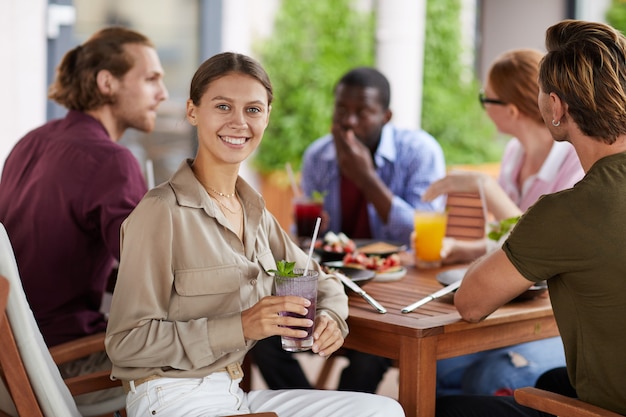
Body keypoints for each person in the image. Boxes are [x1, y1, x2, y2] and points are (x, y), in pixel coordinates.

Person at [104, 51, 404, 417]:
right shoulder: (161, 212)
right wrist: (240, 326)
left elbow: (323, 281)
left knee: (383, 410)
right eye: (223, 106)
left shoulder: (254, 212)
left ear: (266, 117)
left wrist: (331, 319)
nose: (239, 122)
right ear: (192, 111)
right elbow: (124, 343)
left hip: (232, 393)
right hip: (171, 398)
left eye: (252, 110)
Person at [436, 19, 626, 417]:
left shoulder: (568, 210)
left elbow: (470, 304)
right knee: (549, 382)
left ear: (555, 108)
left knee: (439, 407)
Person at [251, 66, 446, 393]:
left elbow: (420, 228)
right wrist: (312, 230)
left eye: (363, 112)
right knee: (265, 336)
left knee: (370, 356)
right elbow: (306, 238)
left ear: (386, 116)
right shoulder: (319, 155)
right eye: (342, 110)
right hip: (336, 281)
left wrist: (366, 178)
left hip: (397, 286)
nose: (350, 121)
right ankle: (310, 411)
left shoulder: (419, 152)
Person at [0, 26, 168, 403]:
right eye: (151, 79)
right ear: (107, 82)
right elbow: (155, 269)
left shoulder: (32, 141)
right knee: (211, 354)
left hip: (9, 359)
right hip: (59, 359)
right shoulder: (113, 160)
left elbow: (45, 249)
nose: (163, 94)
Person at [422, 49, 583, 397]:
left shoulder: (575, 161)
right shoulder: (513, 155)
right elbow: (511, 244)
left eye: (485, 98)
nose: (481, 106)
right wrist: (465, 248)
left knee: (489, 377)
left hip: (554, 321)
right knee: (432, 365)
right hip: (509, 303)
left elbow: (545, 248)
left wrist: (486, 188)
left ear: (510, 110)